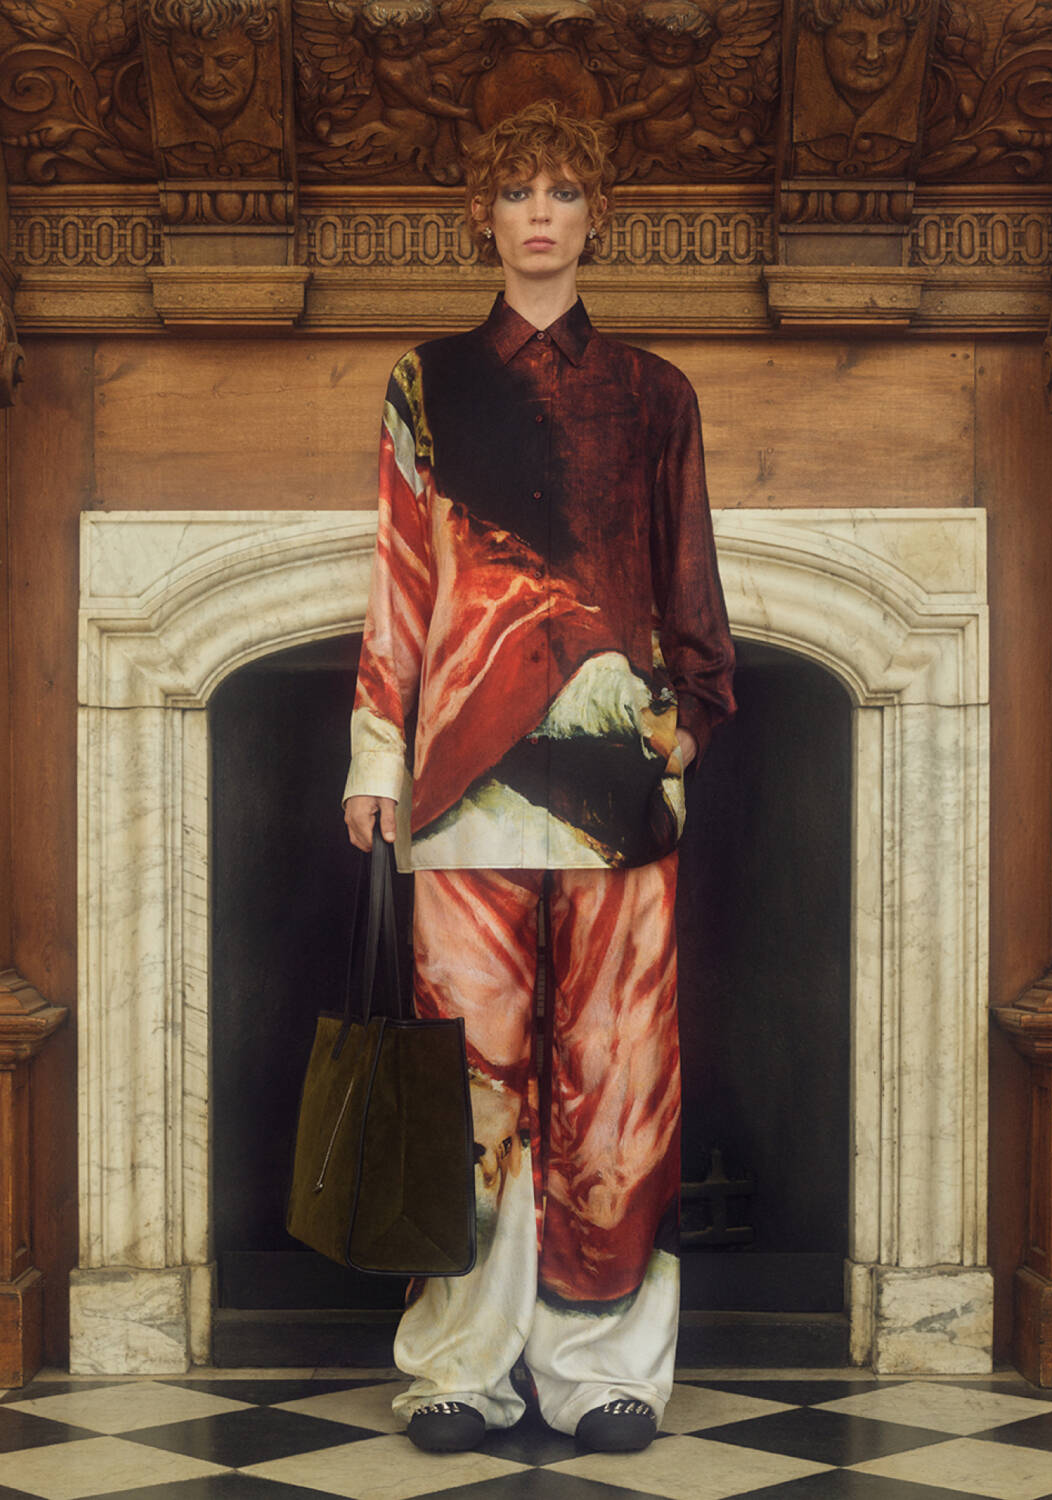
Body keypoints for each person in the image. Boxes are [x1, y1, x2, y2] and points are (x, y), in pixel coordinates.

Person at [342, 99, 735, 1455]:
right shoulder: (424, 380)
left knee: (618, 1066)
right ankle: (461, 1363)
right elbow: (401, 579)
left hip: (623, 776)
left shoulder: (655, 392)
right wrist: (375, 754)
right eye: (518, 191)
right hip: (459, 781)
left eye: (563, 190)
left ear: (594, 216)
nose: (540, 213)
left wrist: (690, 718)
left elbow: (688, 574)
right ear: (485, 217)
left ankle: (603, 1366)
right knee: (469, 1073)